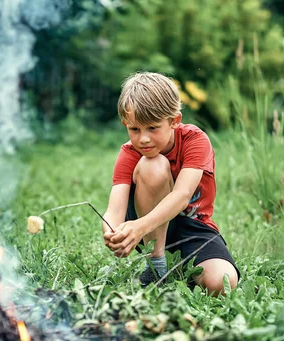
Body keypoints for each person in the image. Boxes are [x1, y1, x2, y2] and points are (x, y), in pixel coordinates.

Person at [102, 72, 239, 295]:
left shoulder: (194, 140)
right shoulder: (129, 152)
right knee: (153, 164)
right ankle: (156, 267)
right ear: (125, 123)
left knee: (222, 283)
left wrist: (139, 226)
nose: (143, 139)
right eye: (134, 129)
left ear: (174, 120)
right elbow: (114, 209)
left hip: (191, 227)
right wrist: (112, 233)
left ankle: (179, 264)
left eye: (152, 128)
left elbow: (182, 195)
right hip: (148, 230)